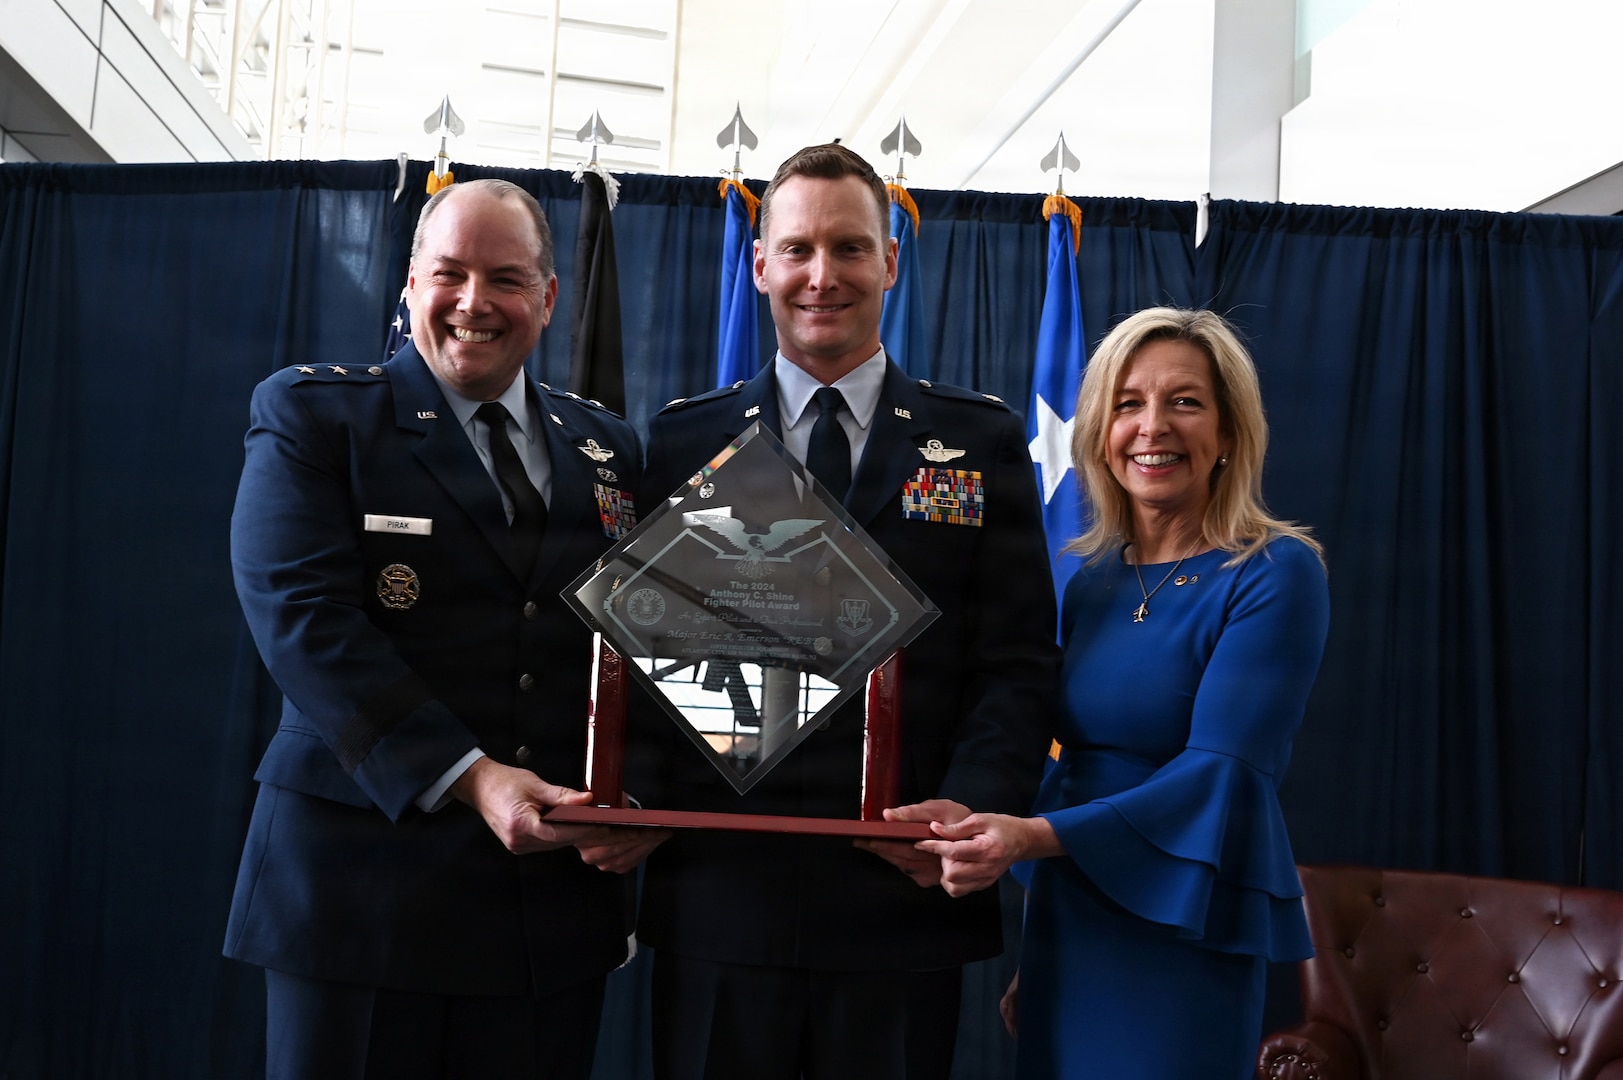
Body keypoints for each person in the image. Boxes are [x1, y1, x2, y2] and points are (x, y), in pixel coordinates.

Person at [630, 143, 1061, 1080]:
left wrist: (970, 808)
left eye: (850, 248)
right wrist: (636, 795)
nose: (822, 276)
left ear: (890, 260)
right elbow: (638, 650)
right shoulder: (682, 440)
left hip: (899, 894)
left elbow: (1017, 661)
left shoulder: (978, 440)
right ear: (759, 267)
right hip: (723, 895)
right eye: (796, 250)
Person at [223, 177, 661, 1080]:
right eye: (449, 274)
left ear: (548, 297)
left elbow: (643, 639)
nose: (473, 302)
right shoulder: (319, 416)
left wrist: (648, 795)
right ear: (410, 285)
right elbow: (303, 620)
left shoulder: (607, 448)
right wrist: (473, 777)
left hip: (546, 911)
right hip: (360, 894)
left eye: (505, 279)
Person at [909, 307, 1331, 1079]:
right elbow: (1072, 766)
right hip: (1071, 915)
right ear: (1101, 434)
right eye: (1127, 403)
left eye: (1184, 402)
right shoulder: (1092, 579)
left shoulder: (1275, 571)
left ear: (1228, 432)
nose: (1151, 427)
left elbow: (1220, 773)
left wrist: (1029, 837)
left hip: (1183, 922)